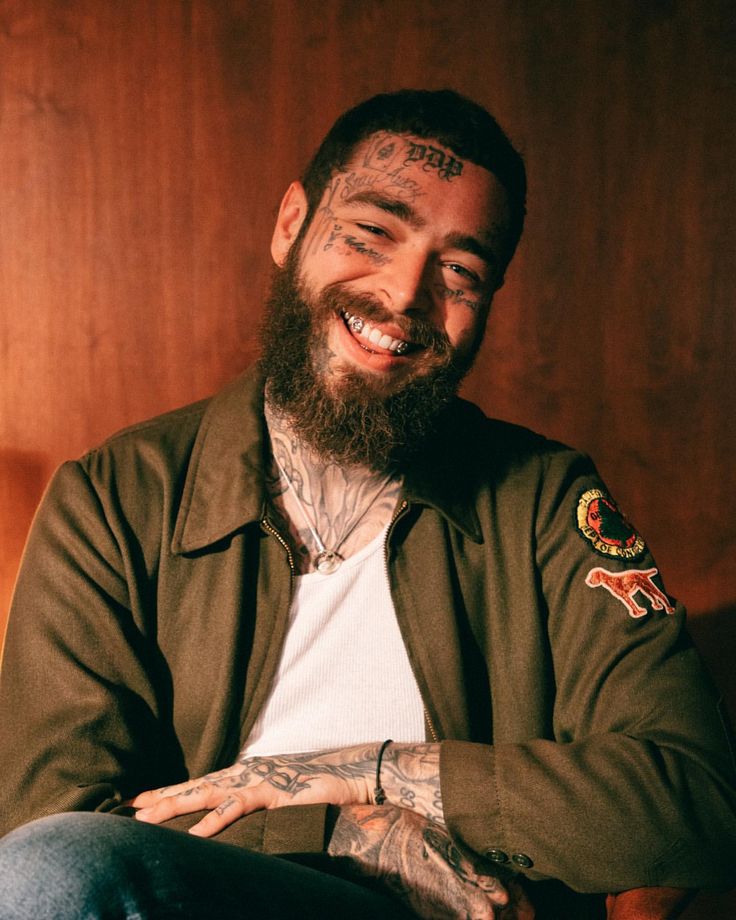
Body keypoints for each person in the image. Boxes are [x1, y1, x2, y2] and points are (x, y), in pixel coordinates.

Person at [0, 89, 733, 919]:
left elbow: (699, 798)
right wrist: (355, 835)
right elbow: (45, 834)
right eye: (372, 233)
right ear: (291, 226)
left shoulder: (546, 501)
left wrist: (379, 773)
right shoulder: (112, 502)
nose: (404, 292)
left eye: (460, 271)